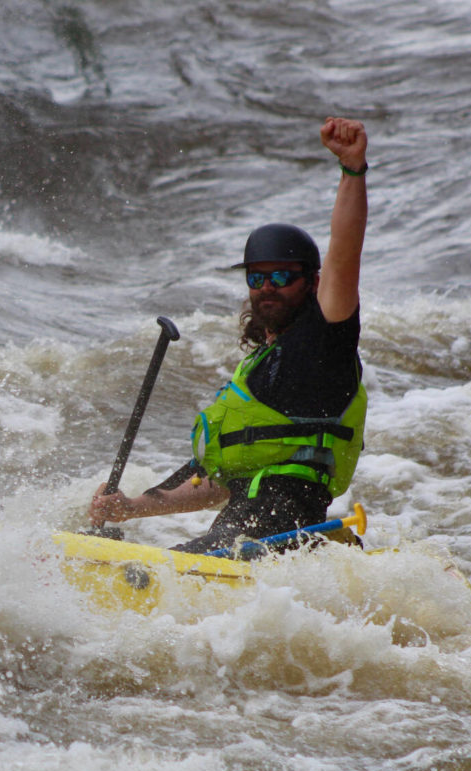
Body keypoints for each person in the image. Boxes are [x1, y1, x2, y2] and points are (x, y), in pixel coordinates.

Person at [89, 117, 368, 556]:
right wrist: (129, 508)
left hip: (281, 523)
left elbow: (345, 252)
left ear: (311, 283)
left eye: (282, 275)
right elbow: (215, 482)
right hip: (246, 525)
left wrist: (352, 170)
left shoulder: (323, 344)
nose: (268, 286)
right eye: (257, 277)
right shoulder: (259, 370)